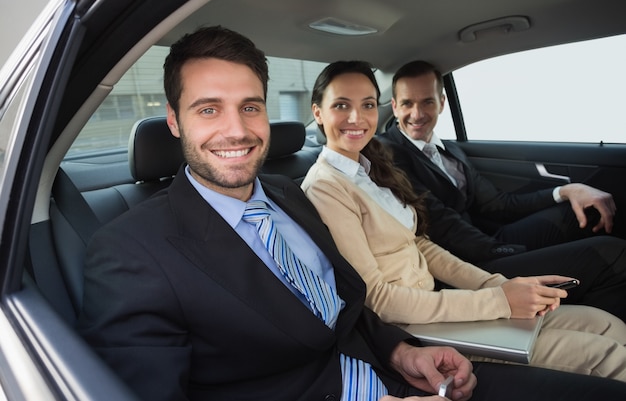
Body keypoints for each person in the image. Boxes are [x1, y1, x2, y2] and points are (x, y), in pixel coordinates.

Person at [74, 26, 626, 401]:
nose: (237, 129)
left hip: (403, 365)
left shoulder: (287, 196)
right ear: (173, 121)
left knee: (607, 340)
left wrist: (402, 351)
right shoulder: (129, 253)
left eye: (251, 106)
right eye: (207, 109)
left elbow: (351, 300)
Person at [301, 60, 626, 381]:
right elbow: (378, 299)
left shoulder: (371, 169)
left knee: (606, 325)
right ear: (318, 112)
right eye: (341, 105)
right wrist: (496, 301)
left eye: (368, 105)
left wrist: (497, 284)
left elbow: (421, 245)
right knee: (608, 357)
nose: (356, 118)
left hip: (442, 307)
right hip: (411, 329)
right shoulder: (326, 187)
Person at [378, 60, 625, 264]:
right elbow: (439, 221)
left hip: (488, 237)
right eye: (408, 103)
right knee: (612, 252)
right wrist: (506, 252)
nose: (417, 114)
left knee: (587, 208)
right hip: (463, 260)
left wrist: (567, 191)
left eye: (427, 102)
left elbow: (499, 204)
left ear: (441, 103)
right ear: (395, 107)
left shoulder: (451, 150)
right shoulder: (388, 151)